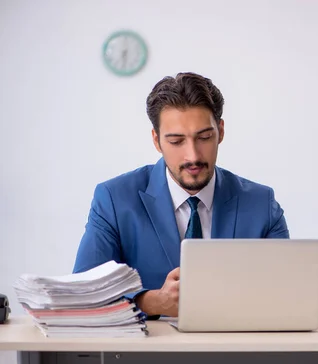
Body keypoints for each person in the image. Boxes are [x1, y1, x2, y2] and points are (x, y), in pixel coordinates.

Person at [72, 72, 289, 317]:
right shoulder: (114, 199)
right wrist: (150, 302)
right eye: (176, 141)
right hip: (146, 353)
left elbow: (286, 296)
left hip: (237, 350)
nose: (193, 156)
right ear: (156, 140)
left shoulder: (262, 204)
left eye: (204, 137)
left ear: (221, 131)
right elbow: (84, 294)